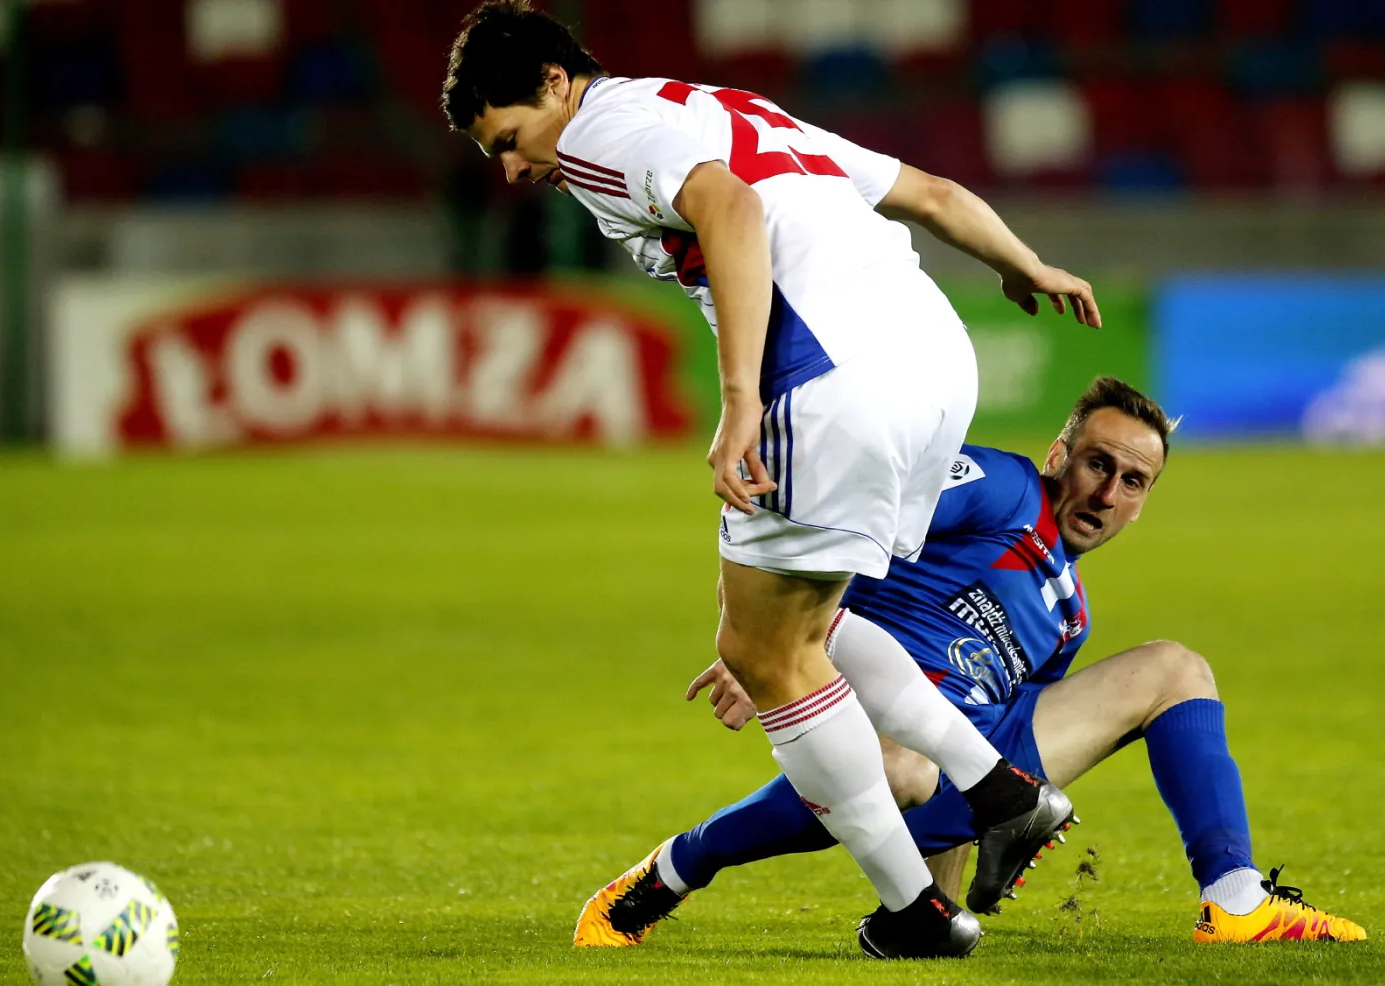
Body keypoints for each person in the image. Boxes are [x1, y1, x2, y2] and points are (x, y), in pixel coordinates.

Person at [443, 1, 1100, 958]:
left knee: (763, 651)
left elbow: (730, 209)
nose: (511, 169)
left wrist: (741, 400)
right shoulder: (723, 106)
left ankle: (917, 912)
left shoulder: (594, 134)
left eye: (508, 139)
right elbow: (927, 191)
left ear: (554, 83)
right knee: (805, 622)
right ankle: (1000, 791)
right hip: (935, 363)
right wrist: (1024, 263)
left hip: (832, 382)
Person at [579, 377, 1367, 947]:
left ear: (1143, 502)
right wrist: (774, 639)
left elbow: (989, 753)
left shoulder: (1071, 618)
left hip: (963, 750)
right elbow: (860, 518)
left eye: (1133, 482)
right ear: (1059, 454)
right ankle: (677, 866)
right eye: (1098, 464)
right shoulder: (1003, 486)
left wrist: (942, 900)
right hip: (872, 713)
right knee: (908, 767)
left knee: (1174, 669)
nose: (1108, 493)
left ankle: (1235, 899)